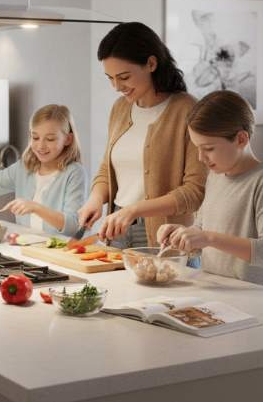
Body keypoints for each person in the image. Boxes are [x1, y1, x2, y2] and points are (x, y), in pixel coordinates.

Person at [76, 22, 206, 248]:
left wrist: (135, 209)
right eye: (110, 78)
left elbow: (195, 191)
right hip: (116, 227)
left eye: (124, 77)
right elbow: (107, 169)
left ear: (151, 63)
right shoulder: (120, 108)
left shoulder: (187, 111)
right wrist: (95, 200)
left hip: (164, 236)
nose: (117, 86)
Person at [157, 90, 263, 288]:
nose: (201, 158)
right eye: (197, 148)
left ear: (241, 139)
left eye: (209, 149)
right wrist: (184, 233)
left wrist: (209, 238)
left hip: (254, 297)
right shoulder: (216, 175)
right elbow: (203, 228)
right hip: (216, 289)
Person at [0, 104, 87, 235]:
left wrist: (35, 207)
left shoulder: (75, 173)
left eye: (50, 139)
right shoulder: (24, 168)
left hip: (61, 251)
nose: (41, 146)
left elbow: (73, 226)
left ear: (68, 139)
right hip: (27, 247)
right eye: (35, 137)